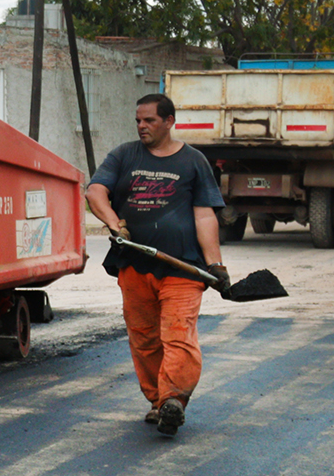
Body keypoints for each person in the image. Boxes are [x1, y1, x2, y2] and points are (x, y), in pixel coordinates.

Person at [84, 93, 227, 438]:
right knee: (145, 338)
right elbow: (94, 192)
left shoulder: (193, 161)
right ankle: (157, 401)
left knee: (178, 335)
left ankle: (173, 399)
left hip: (183, 267)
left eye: (149, 120)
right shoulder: (124, 155)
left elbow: (204, 213)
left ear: (169, 121)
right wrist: (115, 224)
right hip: (134, 264)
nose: (141, 126)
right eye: (138, 120)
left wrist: (215, 263)